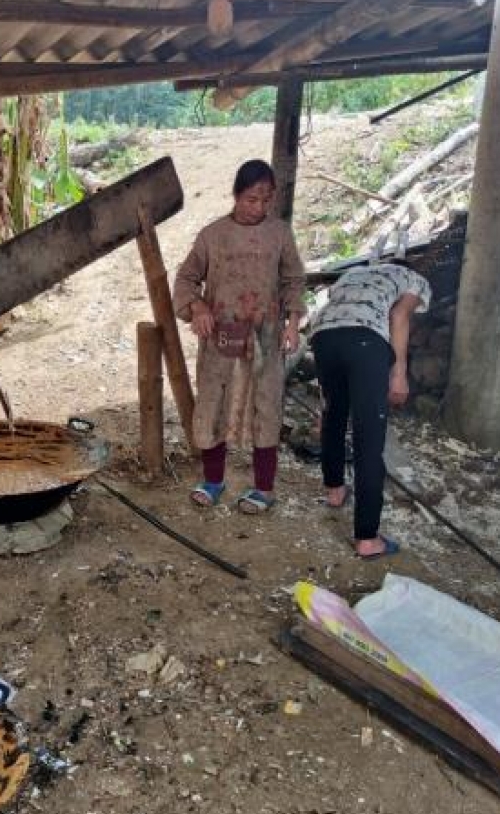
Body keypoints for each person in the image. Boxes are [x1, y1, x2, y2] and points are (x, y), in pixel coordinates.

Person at [173, 159, 307, 514]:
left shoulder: (280, 233)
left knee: (266, 407)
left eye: (265, 200)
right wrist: (199, 309)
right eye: (250, 199)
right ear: (235, 195)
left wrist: (293, 323)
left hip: (266, 336)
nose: (258, 208)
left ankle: (263, 488)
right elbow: (186, 280)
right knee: (213, 405)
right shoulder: (213, 235)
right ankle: (213, 481)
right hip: (221, 339)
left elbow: (294, 279)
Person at [308, 260, 431, 559]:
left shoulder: (354, 272)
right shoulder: (413, 277)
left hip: (323, 336)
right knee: (369, 437)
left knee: (334, 416)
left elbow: (335, 302)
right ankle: (367, 538)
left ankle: (335, 492)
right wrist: (399, 372)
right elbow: (399, 315)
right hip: (364, 340)